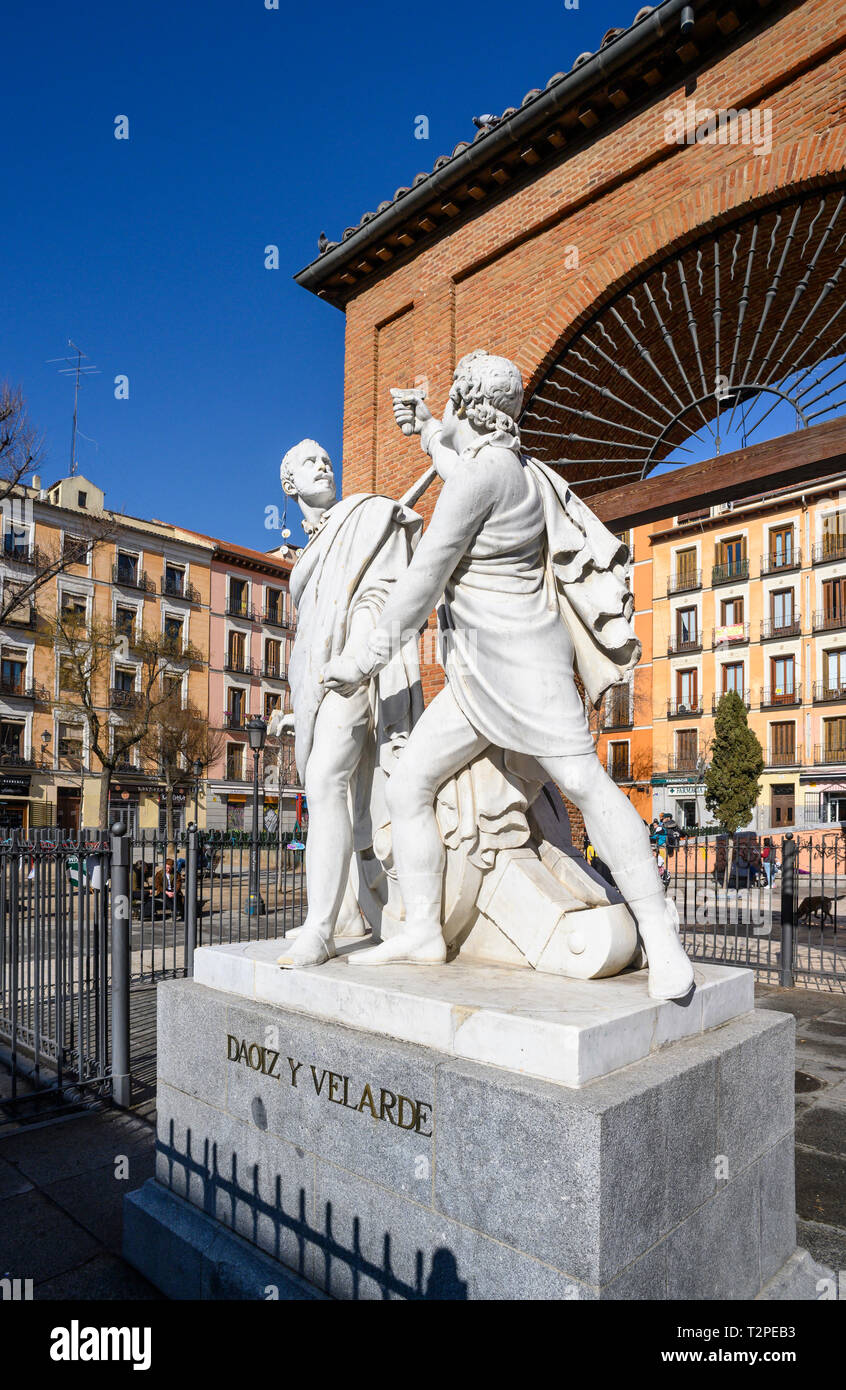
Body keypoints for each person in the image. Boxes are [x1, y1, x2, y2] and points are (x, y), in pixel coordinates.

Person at [323, 350, 694, 1000]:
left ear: (470, 407)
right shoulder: (522, 471)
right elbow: (463, 467)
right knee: (412, 784)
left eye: (454, 412)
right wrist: (430, 428)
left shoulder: (482, 479)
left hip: (515, 668)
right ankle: (424, 932)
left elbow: (419, 584)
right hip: (485, 678)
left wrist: (360, 660)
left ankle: (661, 938)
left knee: (583, 781)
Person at [270, 439, 423, 968]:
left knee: (327, 780)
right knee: (349, 797)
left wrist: (358, 655)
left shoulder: (363, 516)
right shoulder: (308, 554)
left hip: (352, 674)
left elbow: (376, 594)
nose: (324, 464)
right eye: (309, 462)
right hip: (313, 682)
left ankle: (319, 928)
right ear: (289, 485)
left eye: (326, 458)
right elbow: (312, 630)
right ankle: (346, 914)